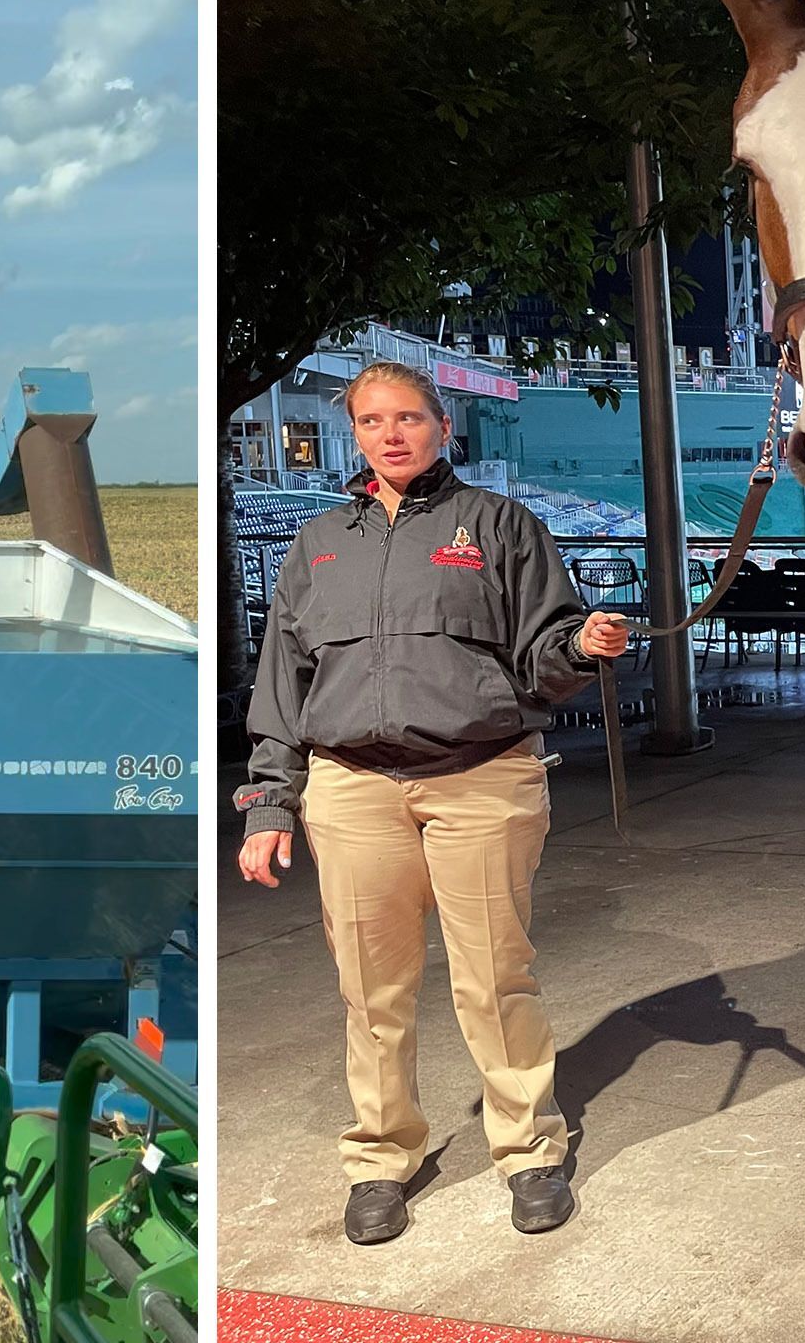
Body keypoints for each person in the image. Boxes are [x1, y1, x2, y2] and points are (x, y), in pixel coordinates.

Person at [235, 361, 631, 1244]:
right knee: (370, 989)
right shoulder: (316, 544)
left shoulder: (499, 525)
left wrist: (584, 642)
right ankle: (381, 1158)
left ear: (443, 428)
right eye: (373, 420)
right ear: (355, 433)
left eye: (409, 417)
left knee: (495, 975)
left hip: (480, 779)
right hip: (351, 789)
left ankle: (529, 1149)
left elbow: (545, 647)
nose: (392, 433)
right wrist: (270, 805)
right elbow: (283, 684)